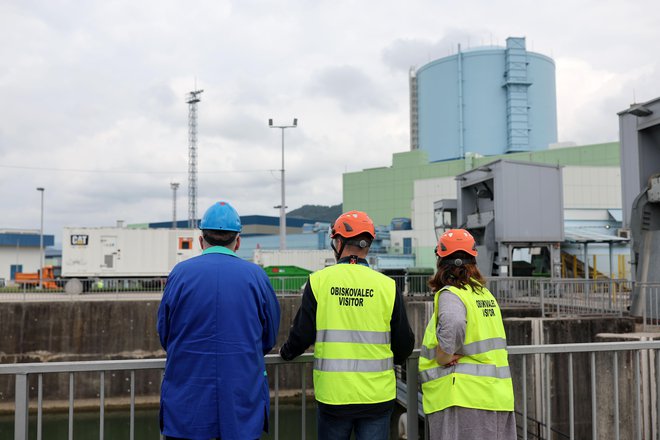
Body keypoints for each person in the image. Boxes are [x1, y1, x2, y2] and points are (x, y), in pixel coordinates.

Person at [279, 210, 415, 440]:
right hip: (376, 396)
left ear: (339, 243)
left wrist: (287, 352)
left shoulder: (319, 281)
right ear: (368, 246)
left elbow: (302, 335)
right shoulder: (387, 286)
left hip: (334, 397)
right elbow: (404, 344)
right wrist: (397, 359)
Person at [157, 201, 281, 440]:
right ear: (238, 241)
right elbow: (269, 336)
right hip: (240, 400)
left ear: (201, 241)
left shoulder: (180, 273)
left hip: (187, 401)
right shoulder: (256, 276)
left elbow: (165, 332)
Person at [419, 229, 515, 440]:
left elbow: (453, 322)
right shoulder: (483, 294)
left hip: (463, 398)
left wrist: (443, 355)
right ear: (473, 260)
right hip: (496, 395)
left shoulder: (451, 294)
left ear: (441, 261)